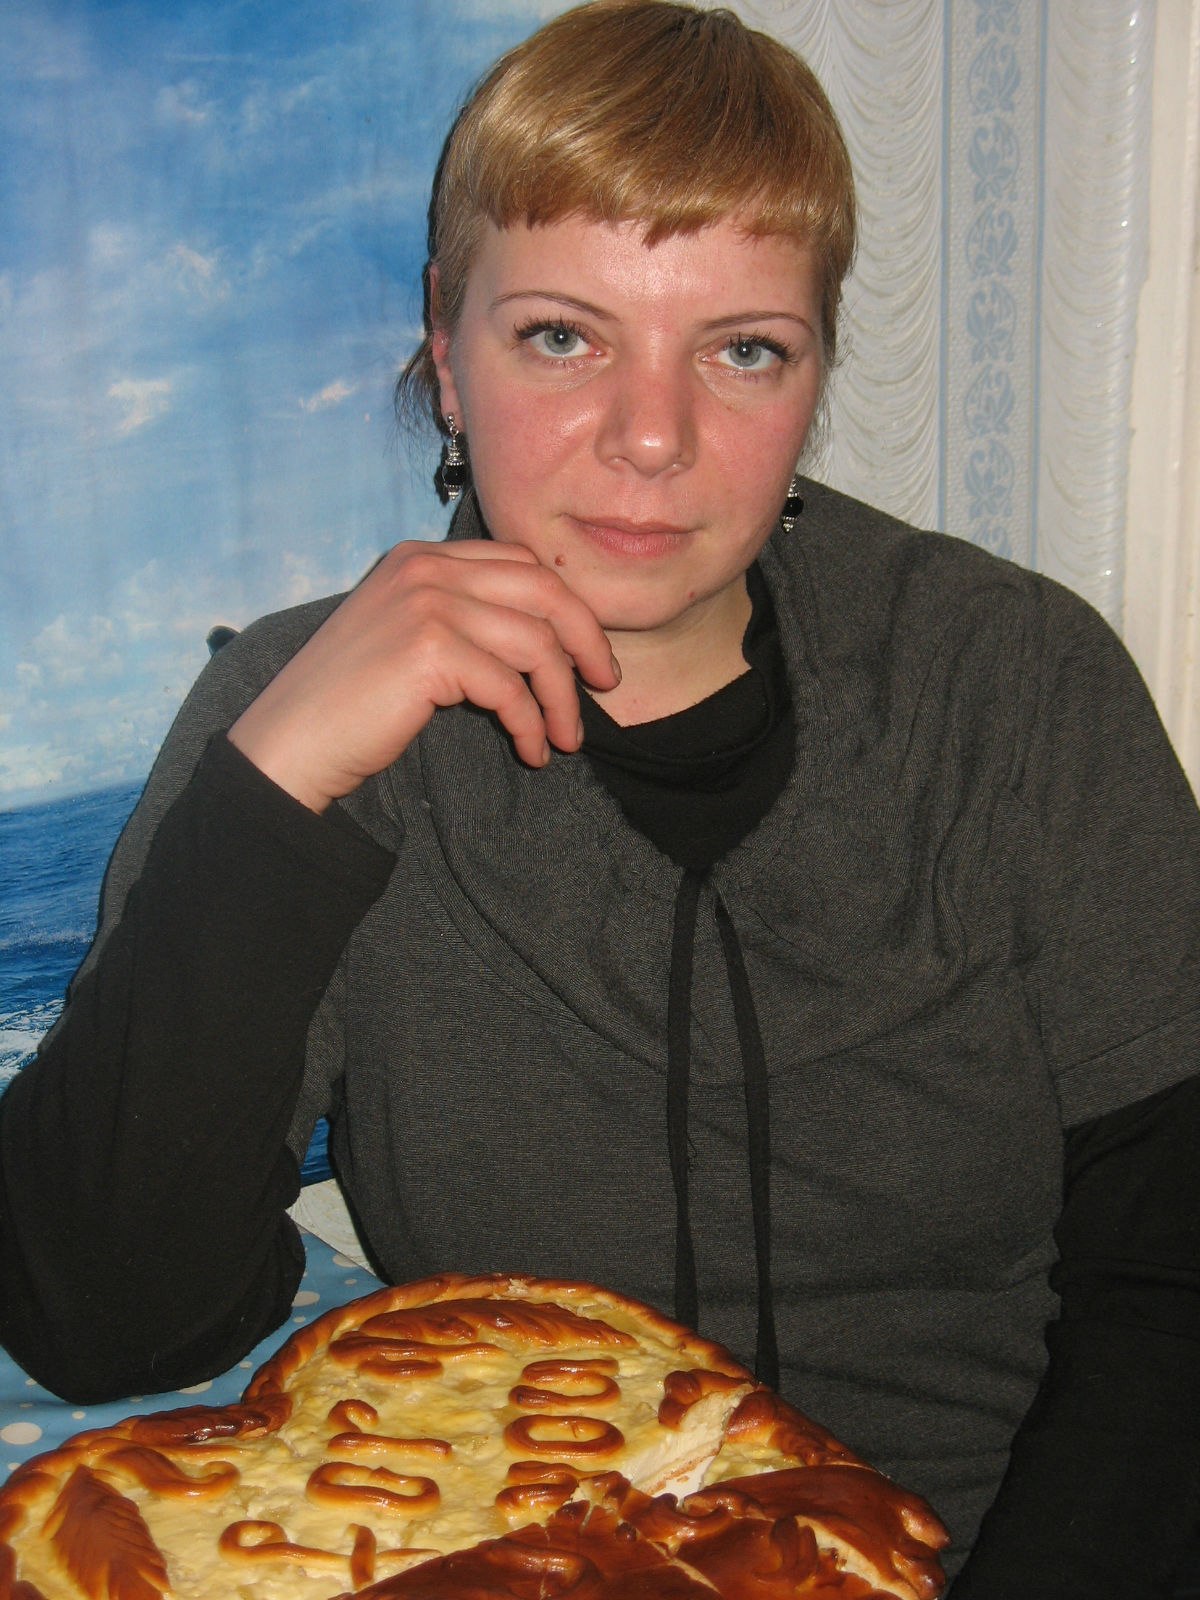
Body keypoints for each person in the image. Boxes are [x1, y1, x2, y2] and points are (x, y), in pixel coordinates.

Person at [0, 2, 1197, 1591]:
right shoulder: (301, 711)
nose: (651, 438)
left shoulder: (1012, 683)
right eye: (563, 336)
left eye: (743, 349)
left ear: (816, 374)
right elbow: (101, 1317)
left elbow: (1172, 1264)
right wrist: (277, 791)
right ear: (447, 352)